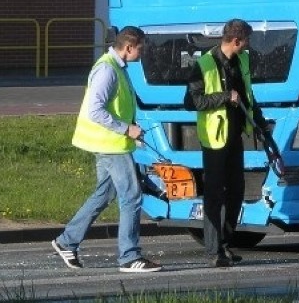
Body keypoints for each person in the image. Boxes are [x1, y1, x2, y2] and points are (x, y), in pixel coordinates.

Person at [51, 26, 162, 273]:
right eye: (141, 48)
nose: (142, 54)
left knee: (104, 195)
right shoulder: (107, 70)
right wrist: (126, 129)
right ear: (129, 47)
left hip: (111, 142)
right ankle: (129, 257)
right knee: (132, 197)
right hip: (110, 145)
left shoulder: (116, 67)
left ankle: (67, 241)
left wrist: (132, 131)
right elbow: (96, 110)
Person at [184, 19, 266, 267]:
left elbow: (248, 96)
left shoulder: (242, 60)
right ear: (236, 41)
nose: (248, 45)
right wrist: (223, 97)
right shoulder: (205, 65)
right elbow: (191, 102)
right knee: (214, 194)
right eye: (246, 41)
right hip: (214, 139)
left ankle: (225, 243)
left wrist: (259, 123)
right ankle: (213, 250)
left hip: (235, 135)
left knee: (236, 190)